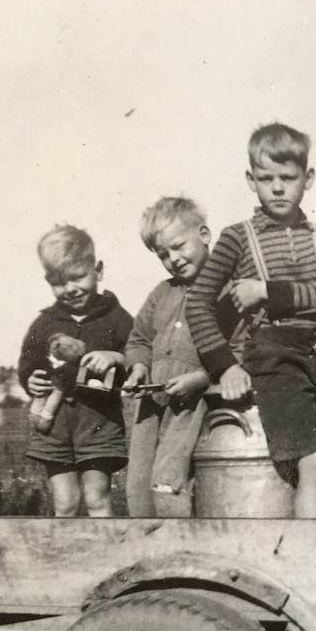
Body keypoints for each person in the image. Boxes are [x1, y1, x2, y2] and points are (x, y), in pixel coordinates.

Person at [185, 122, 316, 518]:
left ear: (308, 179)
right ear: (250, 180)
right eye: (266, 178)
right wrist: (226, 366)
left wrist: (266, 291)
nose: (277, 188)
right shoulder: (237, 238)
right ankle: (308, 567)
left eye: (287, 178)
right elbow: (198, 303)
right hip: (275, 357)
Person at [18, 224, 132, 516]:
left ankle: (107, 560)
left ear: (98, 270)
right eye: (59, 282)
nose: (70, 289)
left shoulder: (117, 319)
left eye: (78, 277)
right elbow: (28, 363)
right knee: (65, 502)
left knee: (97, 498)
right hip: (54, 426)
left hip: (98, 422)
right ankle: (65, 561)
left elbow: (136, 360)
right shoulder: (44, 323)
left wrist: (115, 358)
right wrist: (31, 380)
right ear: (48, 281)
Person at [122, 197, 217, 517]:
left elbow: (240, 350)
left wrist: (201, 379)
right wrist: (138, 368)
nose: (173, 259)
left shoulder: (225, 290)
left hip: (194, 402)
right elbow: (138, 339)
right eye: (163, 254)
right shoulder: (161, 293)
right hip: (151, 403)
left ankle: (178, 550)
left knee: (170, 478)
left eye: (178, 246)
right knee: (138, 480)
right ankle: (145, 549)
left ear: (204, 234)